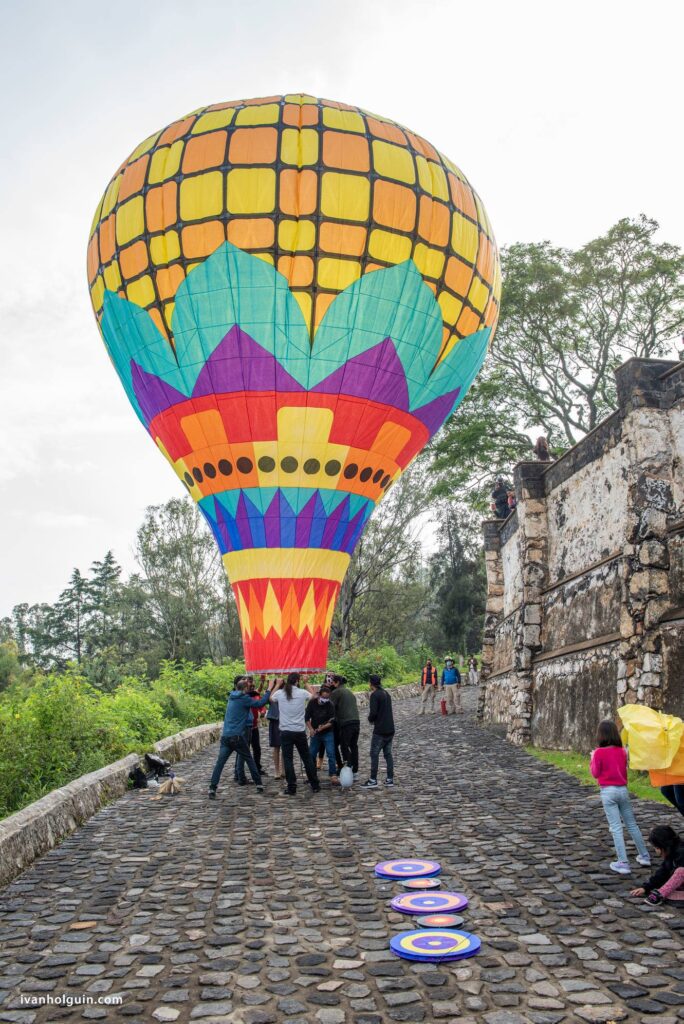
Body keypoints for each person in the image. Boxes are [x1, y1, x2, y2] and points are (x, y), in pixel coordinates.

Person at [589, 720, 651, 874]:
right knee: (631, 824)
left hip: (608, 792)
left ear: (600, 735)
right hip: (623, 790)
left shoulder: (598, 752)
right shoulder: (623, 751)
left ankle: (623, 862)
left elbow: (595, 773)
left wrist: (592, 759)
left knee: (616, 828)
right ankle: (644, 855)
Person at [208, 678, 271, 798]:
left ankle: (212, 788)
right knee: (249, 759)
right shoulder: (244, 699)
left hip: (226, 736)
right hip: (237, 737)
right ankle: (259, 784)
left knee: (220, 764)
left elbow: (253, 696)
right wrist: (268, 690)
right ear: (245, 689)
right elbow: (259, 704)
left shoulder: (231, 697)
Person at [270, 673, 320, 796]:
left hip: (285, 731)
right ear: (297, 681)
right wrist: (307, 682)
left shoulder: (281, 693)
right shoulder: (302, 693)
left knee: (288, 759)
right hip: (299, 731)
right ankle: (315, 785)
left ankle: (291, 787)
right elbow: (314, 696)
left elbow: (271, 698)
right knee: (306, 758)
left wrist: (277, 685)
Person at [630, 825, 684, 906]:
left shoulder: (681, 853)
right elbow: (662, 872)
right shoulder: (671, 854)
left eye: (656, 847)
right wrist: (646, 888)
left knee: (680, 872)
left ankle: (661, 894)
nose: (656, 850)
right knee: (668, 888)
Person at [363, 674, 395, 788]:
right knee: (388, 754)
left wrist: (370, 719)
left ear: (371, 683)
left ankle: (372, 780)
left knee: (374, 754)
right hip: (390, 729)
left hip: (380, 730)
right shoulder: (386, 693)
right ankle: (390, 779)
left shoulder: (375, 695)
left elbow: (373, 713)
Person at [306, 683, 338, 784]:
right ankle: (312, 775)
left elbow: (332, 721)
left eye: (327, 698)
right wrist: (311, 729)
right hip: (315, 733)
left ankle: (333, 775)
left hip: (327, 732)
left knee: (331, 753)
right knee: (311, 754)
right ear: (319, 695)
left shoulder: (330, 705)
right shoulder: (312, 703)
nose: (325, 700)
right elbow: (306, 718)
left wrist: (323, 727)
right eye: (323, 697)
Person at [329, 674, 360, 777]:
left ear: (337, 682)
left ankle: (348, 767)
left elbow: (330, 707)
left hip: (346, 723)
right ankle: (355, 770)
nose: (331, 683)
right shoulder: (349, 692)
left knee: (343, 745)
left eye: (333, 682)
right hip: (356, 721)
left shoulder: (336, 692)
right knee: (353, 746)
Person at [265, 676, 282, 779]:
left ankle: (284, 770)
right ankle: (277, 770)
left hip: (285, 720)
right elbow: (269, 699)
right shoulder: (270, 690)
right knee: (276, 747)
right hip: (275, 720)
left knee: (285, 747)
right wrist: (276, 685)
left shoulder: (286, 690)